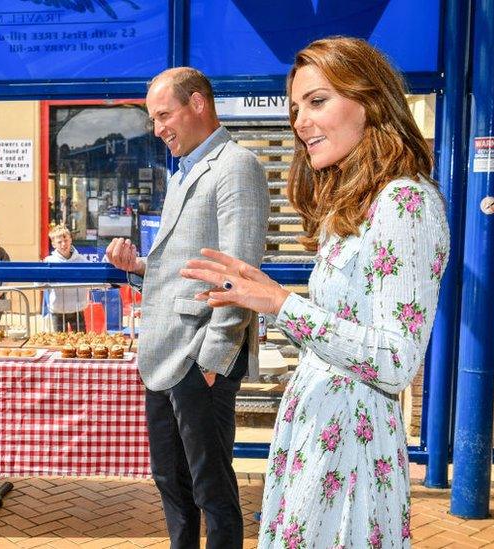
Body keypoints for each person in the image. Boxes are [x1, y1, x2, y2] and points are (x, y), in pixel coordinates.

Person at [180, 37, 449, 548]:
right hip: (317, 440)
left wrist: (282, 304)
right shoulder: (355, 204)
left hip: (349, 454)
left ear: (370, 101)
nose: (300, 121)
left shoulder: (405, 202)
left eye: (318, 101)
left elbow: (396, 358)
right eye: (295, 107)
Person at [106, 66, 269, 548]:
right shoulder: (184, 171)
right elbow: (185, 266)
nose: (157, 129)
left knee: (211, 489)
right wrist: (140, 267)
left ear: (198, 103)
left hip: (201, 356)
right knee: (171, 482)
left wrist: (213, 361)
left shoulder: (236, 165)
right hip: (164, 356)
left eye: (163, 115)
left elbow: (239, 270)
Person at [43, 225, 90, 332]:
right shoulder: (49, 261)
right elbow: (40, 284)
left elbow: (93, 276)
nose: (63, 244)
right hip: (57, 310)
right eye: (59, 242)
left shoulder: (81, 260)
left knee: (81, 342)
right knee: (60, 342)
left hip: (77, 309)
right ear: (53, 244)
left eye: (66, 240)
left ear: (71, 240)